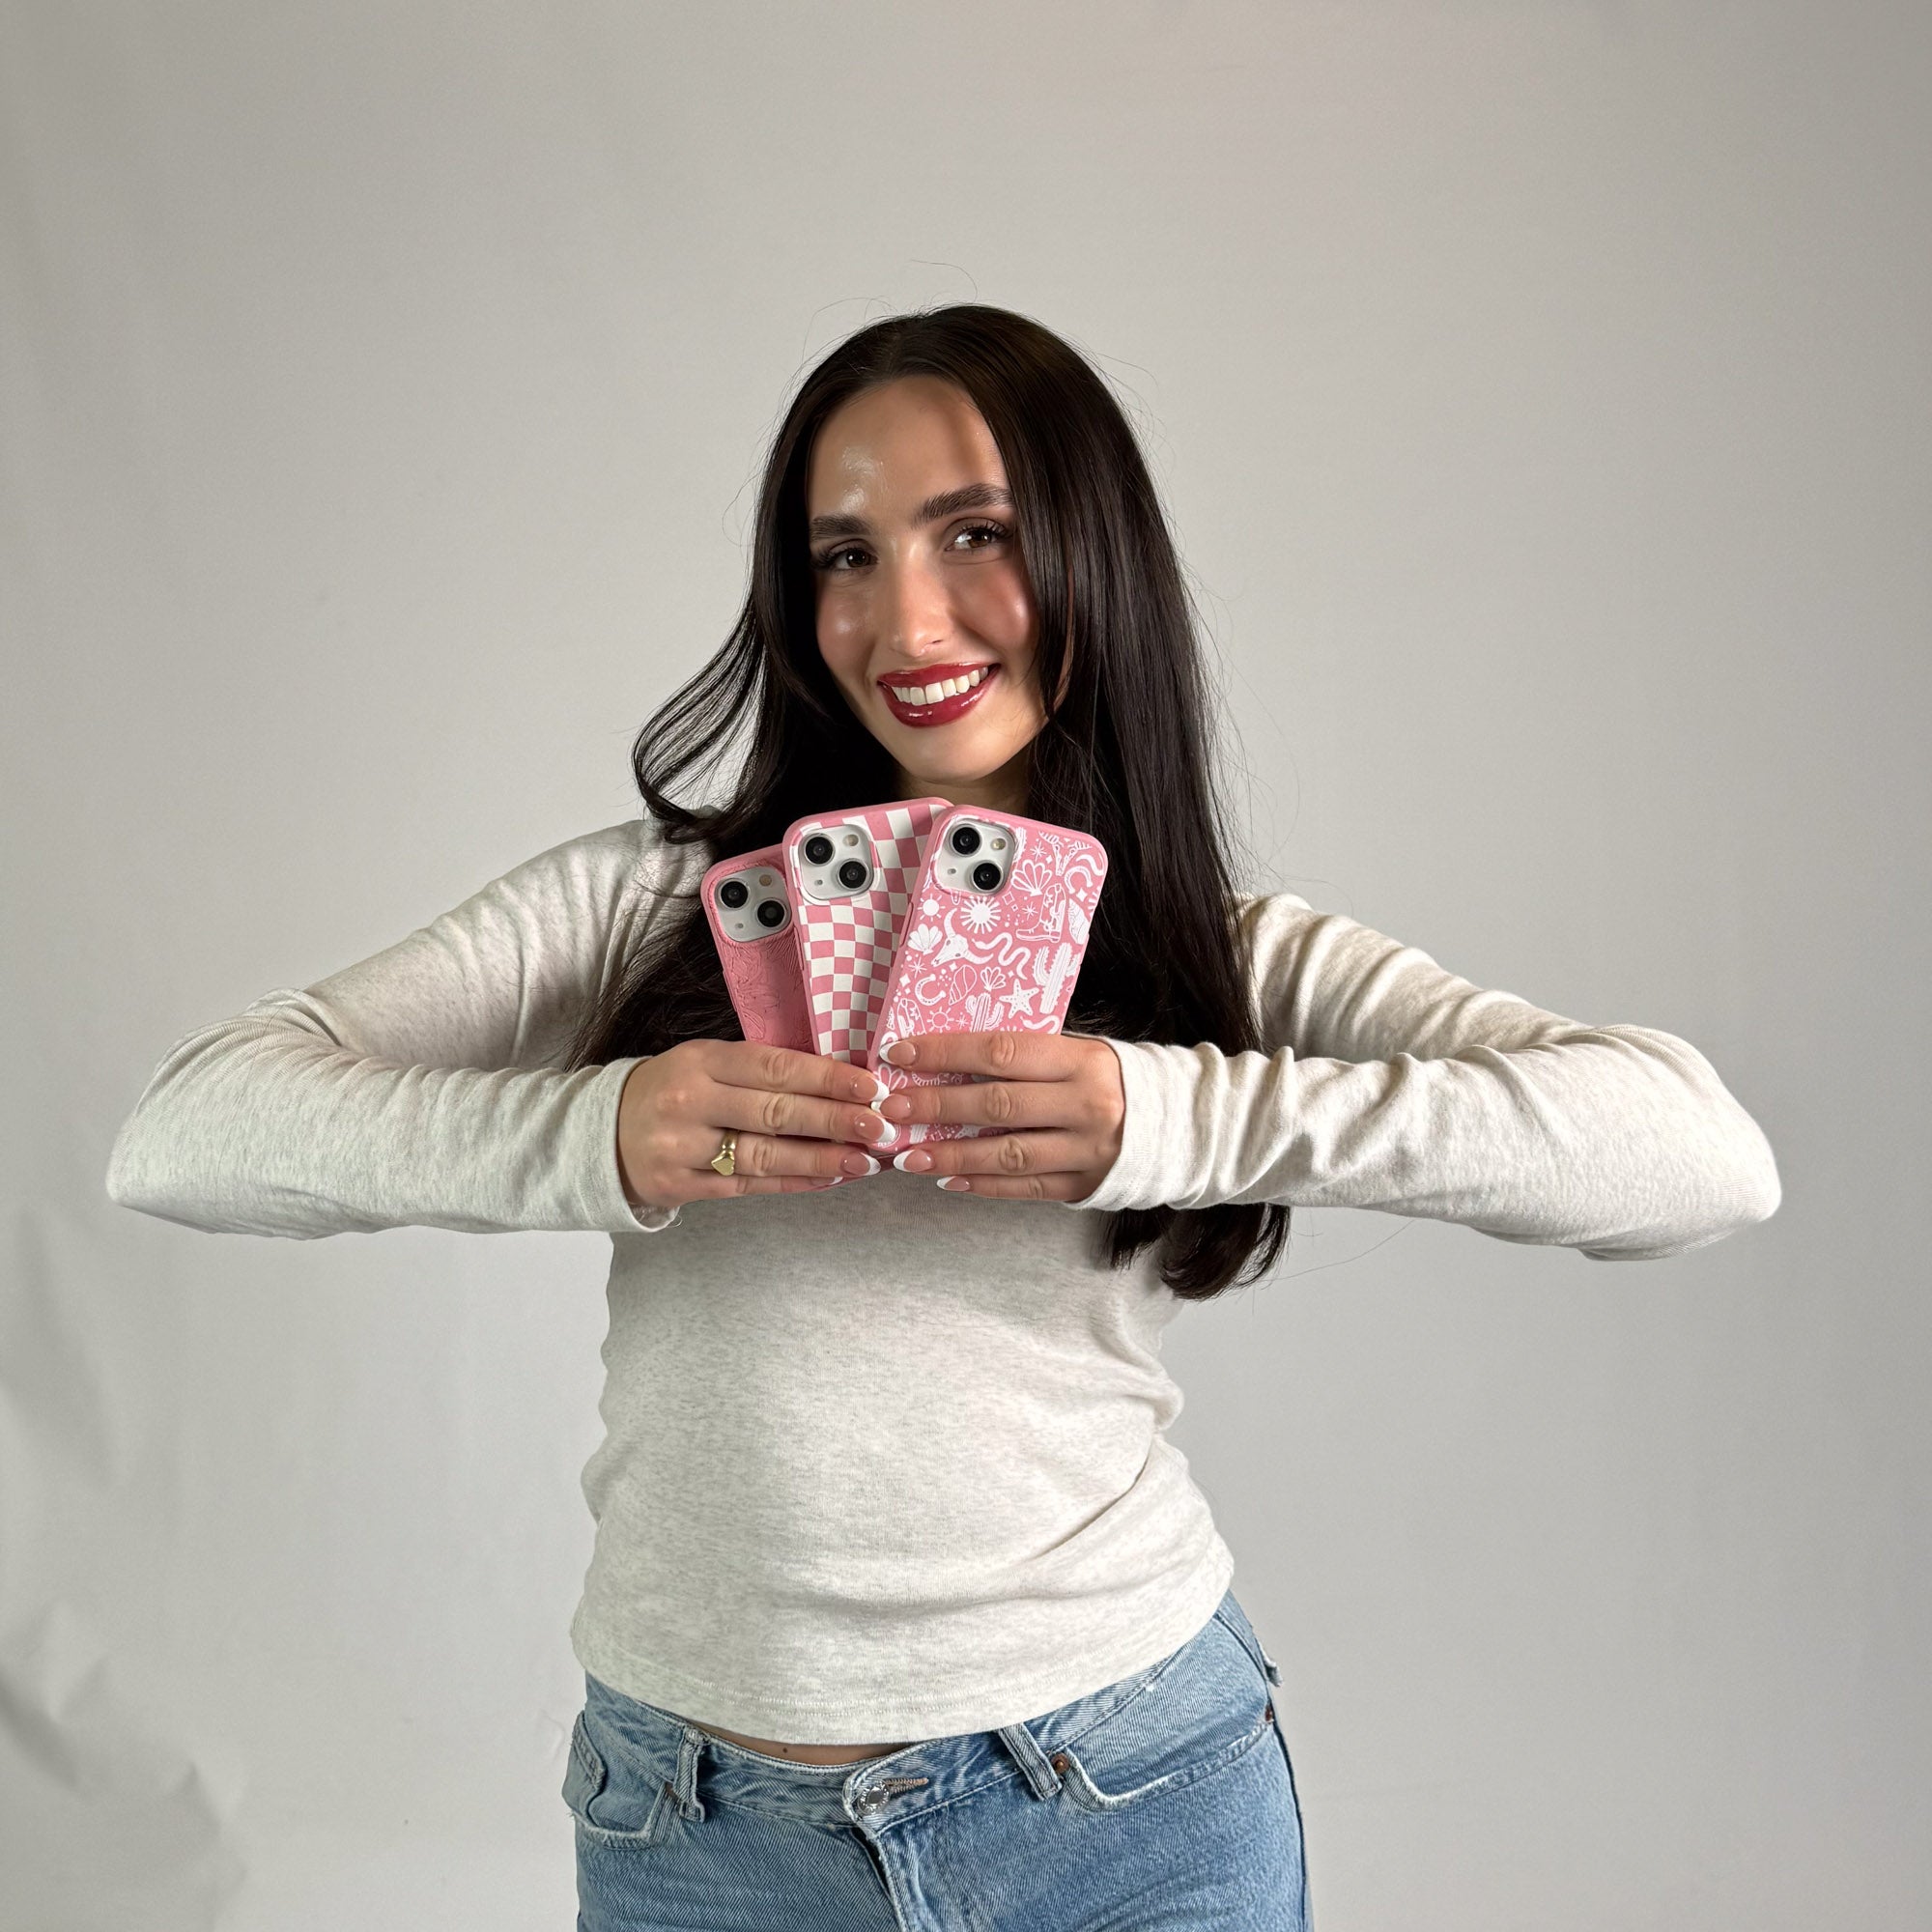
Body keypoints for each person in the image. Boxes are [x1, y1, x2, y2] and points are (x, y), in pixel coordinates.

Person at [105, 303, 1782, 1931]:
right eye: (845, 555)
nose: (906, 622)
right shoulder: (653, 906)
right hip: (695, 1827)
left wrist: (1171, 1111)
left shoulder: (1220, 956)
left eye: (975, 533)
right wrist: (589, 1135)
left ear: (1095, 556)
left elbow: (1696, 1158)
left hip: (1127, 1799)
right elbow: (182, 1131)